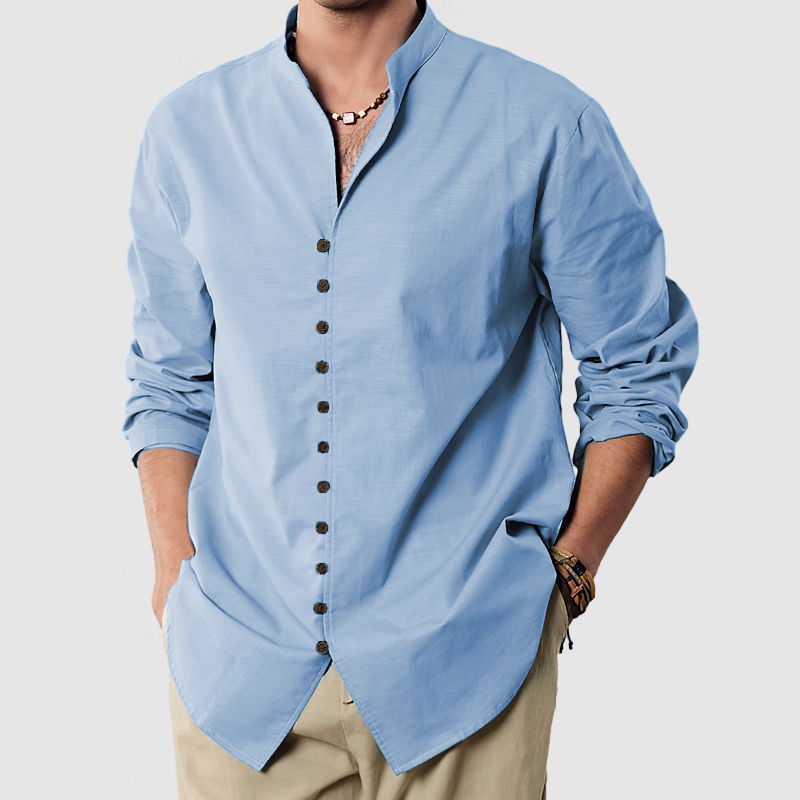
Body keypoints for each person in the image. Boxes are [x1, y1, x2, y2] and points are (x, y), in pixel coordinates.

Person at [121, 0, 699, 797]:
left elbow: (635, 367)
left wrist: (570, 576)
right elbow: (169, 381)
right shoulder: (188, 132)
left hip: (469, 664)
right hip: (238, 672)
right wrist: (174, 578)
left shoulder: (546, 125)